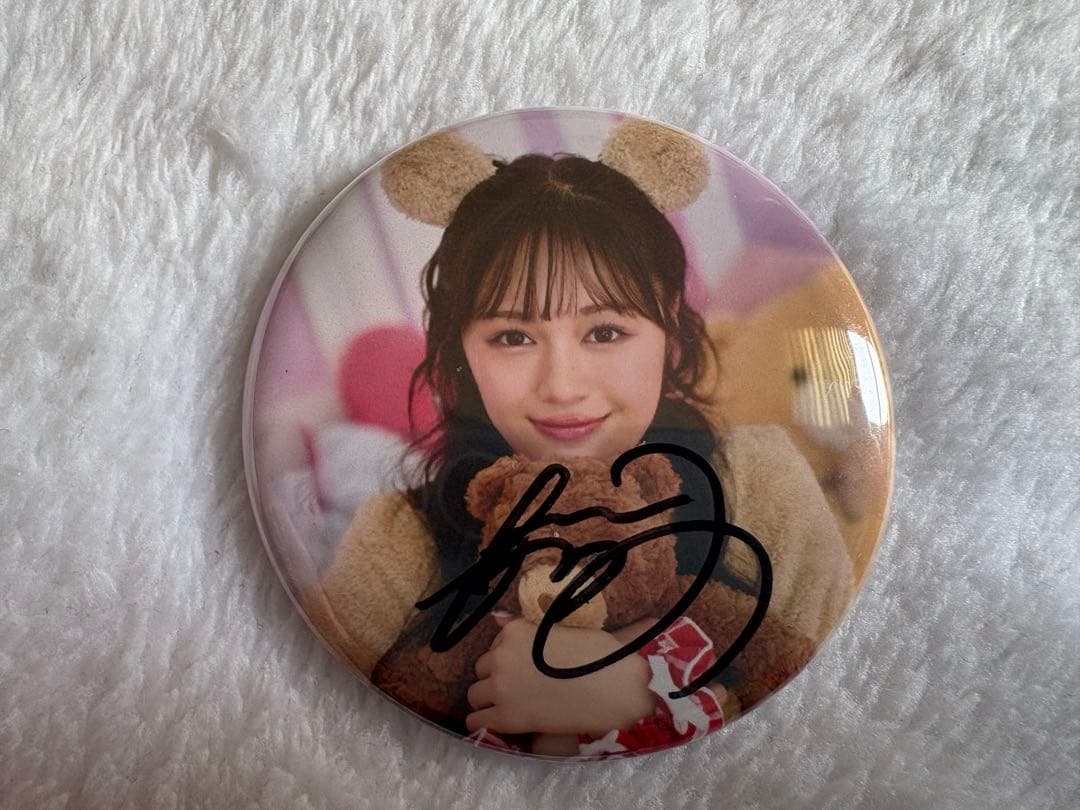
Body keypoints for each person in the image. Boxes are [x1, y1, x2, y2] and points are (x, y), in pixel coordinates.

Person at [298, 123, 855, 757]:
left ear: (669, 329)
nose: (562, 387)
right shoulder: (402, 533)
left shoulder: (756, 479)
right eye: (513, 337)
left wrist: (642, 691)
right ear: (462, 354)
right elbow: (315, 725)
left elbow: (834, 719)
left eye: (605, 332)